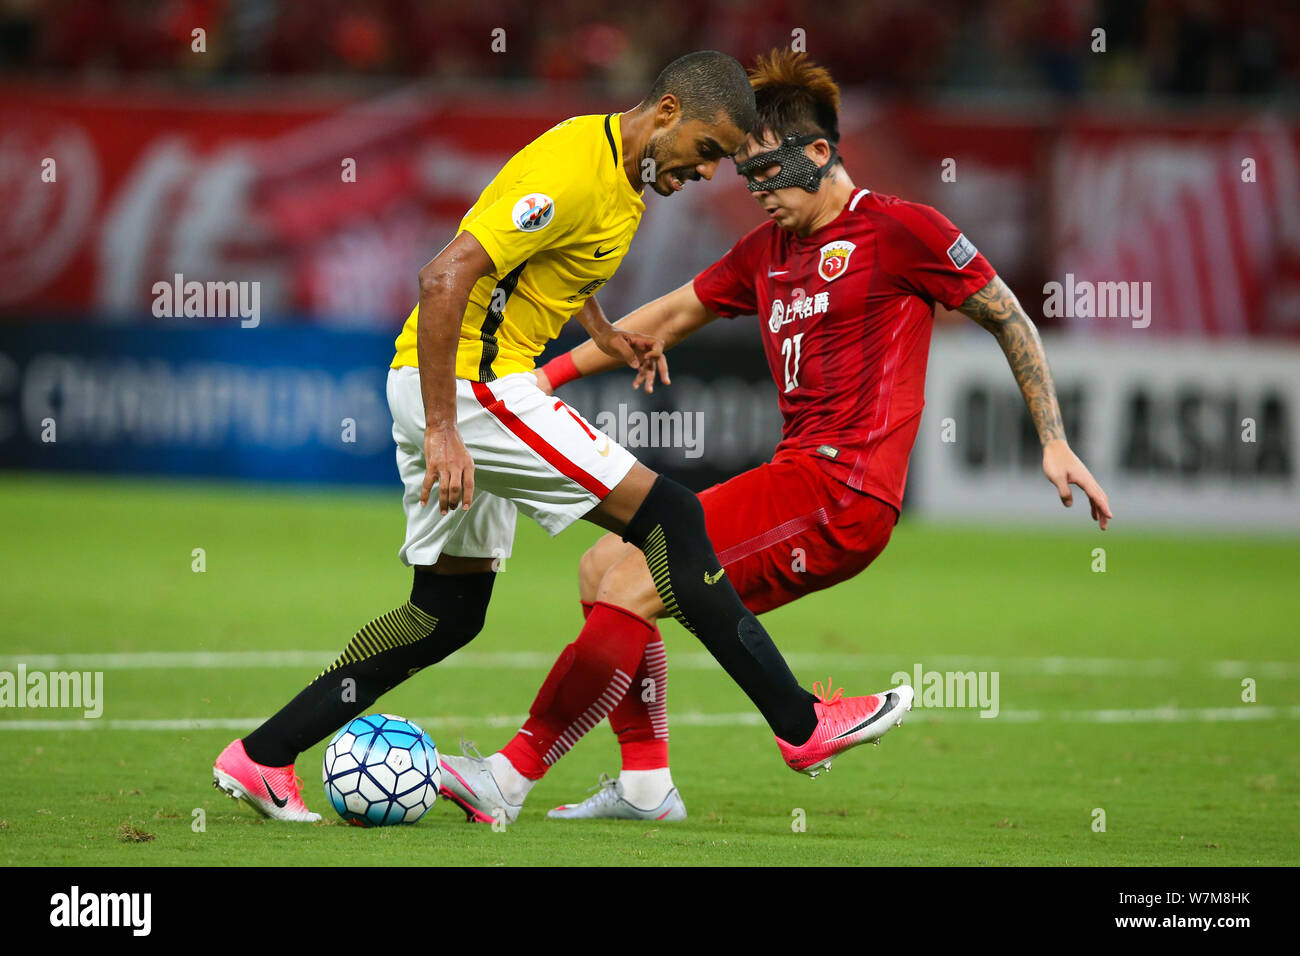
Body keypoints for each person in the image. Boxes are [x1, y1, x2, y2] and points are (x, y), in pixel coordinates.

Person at [212, 50, 910, 823]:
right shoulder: (577, 166)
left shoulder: (621, 180)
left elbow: (549, 268)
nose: (712, 173)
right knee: (672, 517)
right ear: (670, 112)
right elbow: (444, 277)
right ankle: (801, 725)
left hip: (453, 386)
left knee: (446, 612)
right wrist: (446, 427)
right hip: (473, 385)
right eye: (708, 151)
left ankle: (264, 755)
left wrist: (602, 330)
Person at [437, 49, 1112, 824]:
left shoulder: (902, 231)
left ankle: (509, 776)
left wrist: (1052, 439)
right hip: (798, 478)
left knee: (629, 578)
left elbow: (1008, 314)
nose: (757, 194)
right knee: (605, 566)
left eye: (767, 174)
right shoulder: (768, 253)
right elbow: (667, 315)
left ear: (820, 153)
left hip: (844, 492)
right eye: (744, 177)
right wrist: (538, 384)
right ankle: (647, 787)